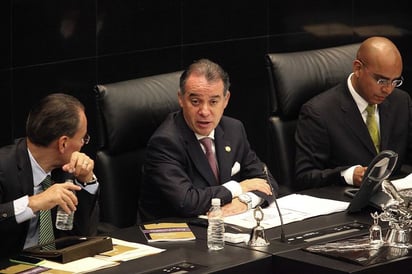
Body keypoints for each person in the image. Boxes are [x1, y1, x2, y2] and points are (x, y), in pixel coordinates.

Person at [139, 58, 278, 221]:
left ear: (225, 100)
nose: (204, 111)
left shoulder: (233, 129)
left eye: (213, 101)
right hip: (176, 234)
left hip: (222, 228)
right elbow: (187, 201)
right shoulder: (165, 142)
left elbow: (266, 181)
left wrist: (244, 201)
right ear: (181, 99)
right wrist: (239, 188)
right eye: (195, 101)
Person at [295, 36, 412, 190]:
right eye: (381, 81)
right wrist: (348, 175)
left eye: (395, 81)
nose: (388, 90)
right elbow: (305, 177)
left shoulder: (401, 101)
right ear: (358, 68)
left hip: (393, 201)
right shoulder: (319, 112)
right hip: (347, 203)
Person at [0, 93, 99, 258]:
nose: (83, 145)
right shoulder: (4, 167)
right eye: (83, 138)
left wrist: (86, 181)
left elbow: (84, 235)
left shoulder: (67, 169)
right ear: (63, 143)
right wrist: (32, 203)